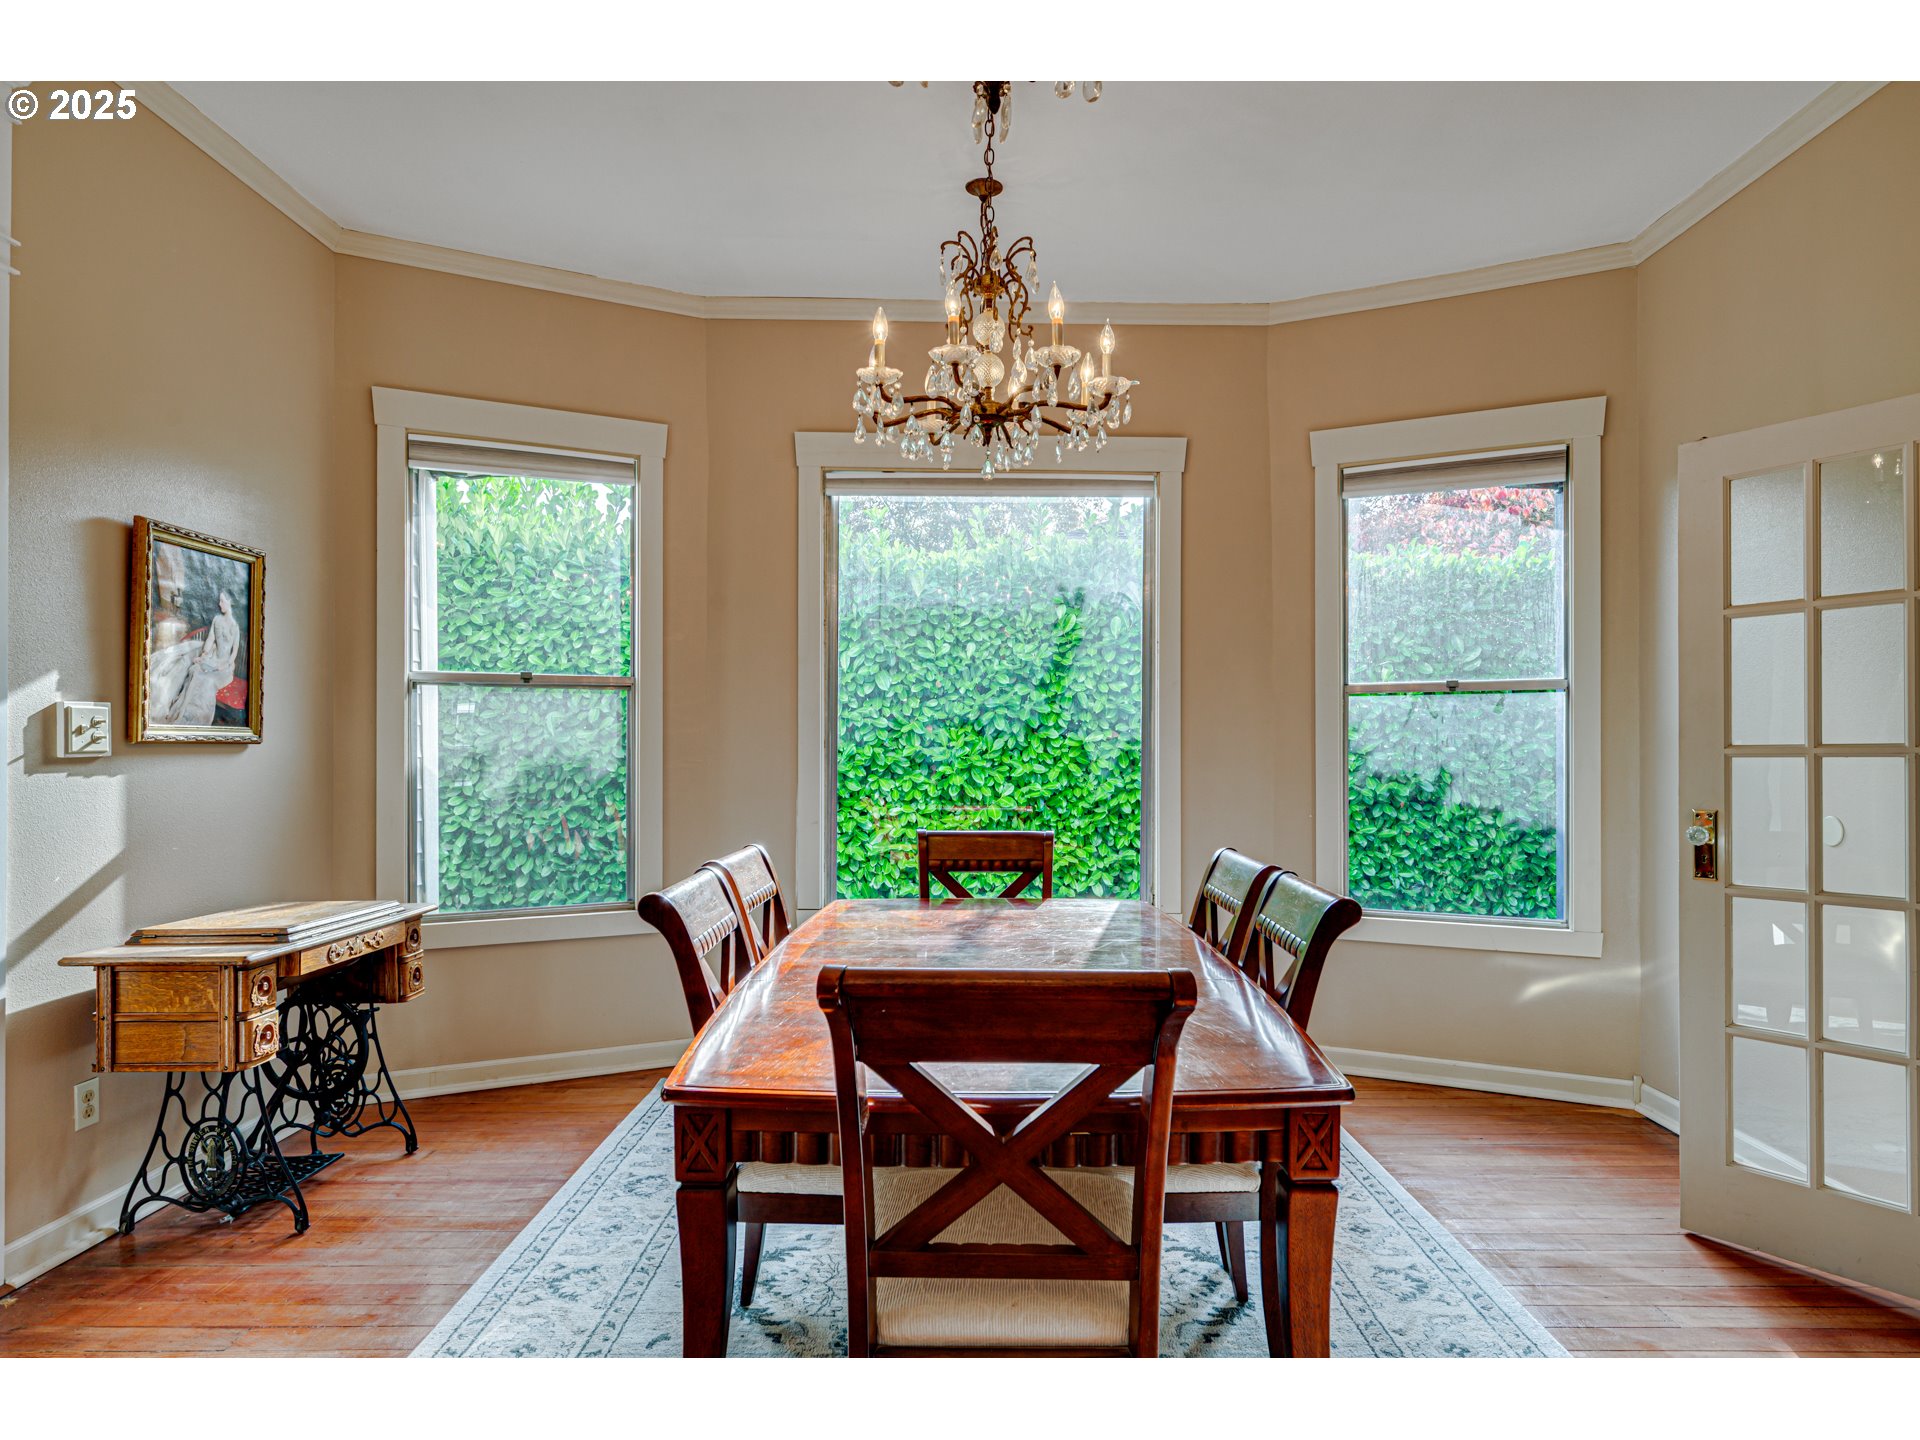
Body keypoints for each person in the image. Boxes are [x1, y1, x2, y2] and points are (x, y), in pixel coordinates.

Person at [161, 590, 242, 726]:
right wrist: (203, 655)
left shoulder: (234, 626)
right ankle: (184, 715)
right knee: (195, 670)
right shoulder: (217, 620)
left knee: (207, 681)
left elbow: (234, 651)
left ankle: (198, 719)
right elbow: (210, 639)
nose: (219, 603)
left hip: (225, 667)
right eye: (219, 600)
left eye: (222, 601)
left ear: (230, 602)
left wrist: (226, 664)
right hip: (212, 659)